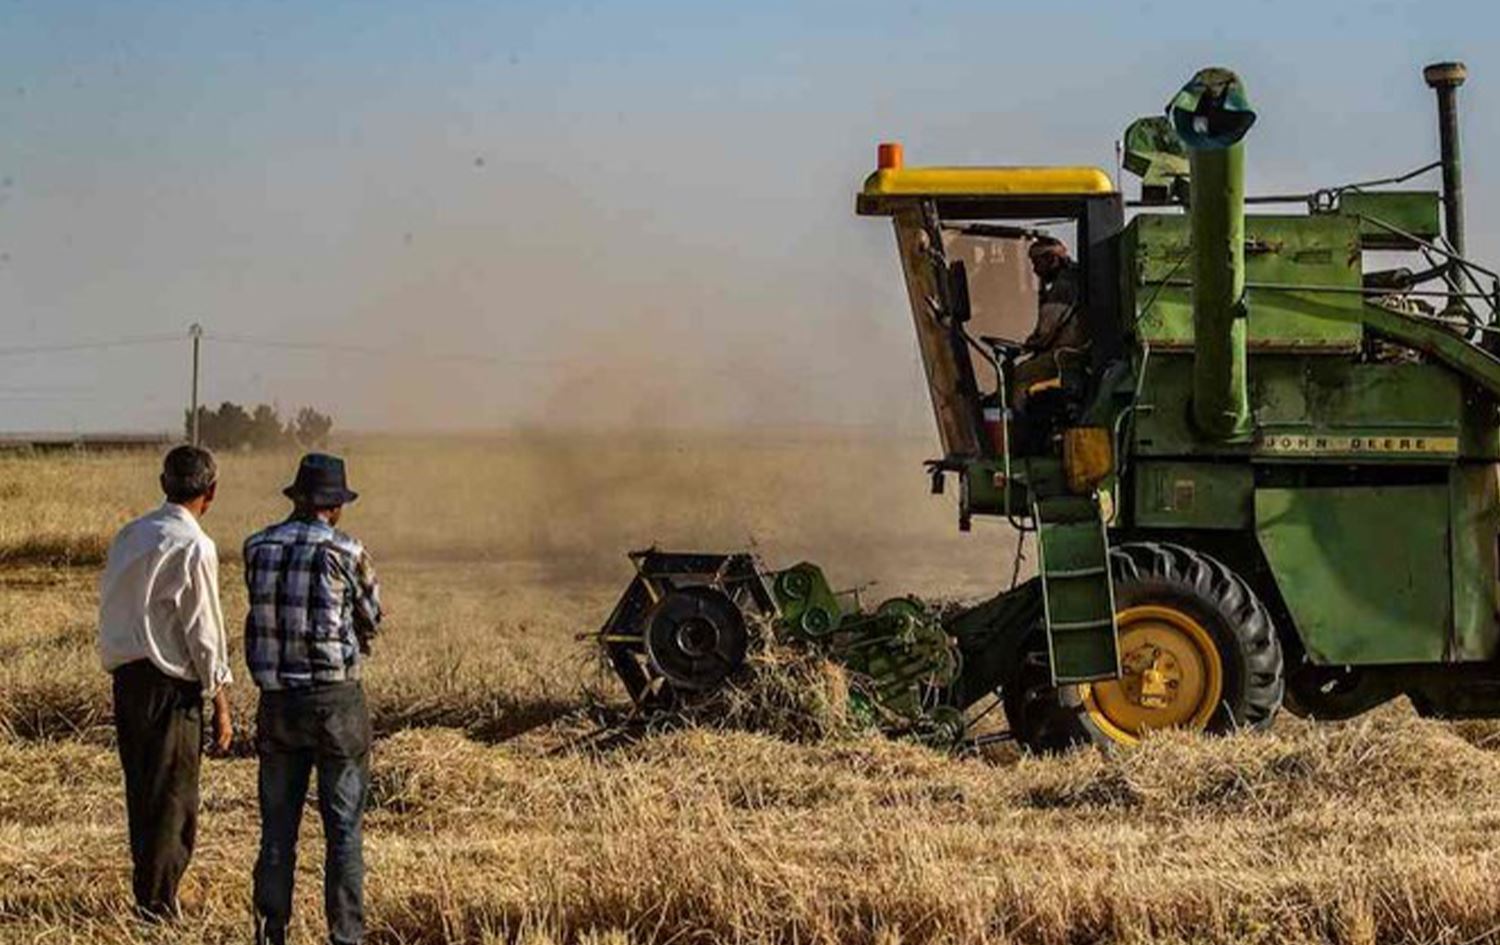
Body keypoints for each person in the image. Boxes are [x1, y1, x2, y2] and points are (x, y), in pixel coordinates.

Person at [245, 453, 382, 945]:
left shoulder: (256, 546)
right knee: (342, 829)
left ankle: (270, 933)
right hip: (335, 704)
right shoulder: (346, 551)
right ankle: (345, 936)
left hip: (276, 703)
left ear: (298, 499)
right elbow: (371, 616)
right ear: (335, 505)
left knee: (277, 830)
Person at [98, 444, 233, 921]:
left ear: (163, 485)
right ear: (210, 492)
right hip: (168, 687)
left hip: (127, 680)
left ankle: (151, 892)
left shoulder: (129, 535)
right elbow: (204, 632)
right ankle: (158, 906)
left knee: (142, 790)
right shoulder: (195, 545)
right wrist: (219, 700)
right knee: (174, 797)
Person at [1011, 236, 1088, 406]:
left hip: (1066, 355)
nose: (1035, 270)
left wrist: (1025, 345)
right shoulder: (1076, 277)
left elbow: (1046, 332)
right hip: (1073, 353)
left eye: (1037, 263)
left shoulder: (1064, 286)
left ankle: (1017, 427)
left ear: (1052, 259)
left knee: (1018, 376)